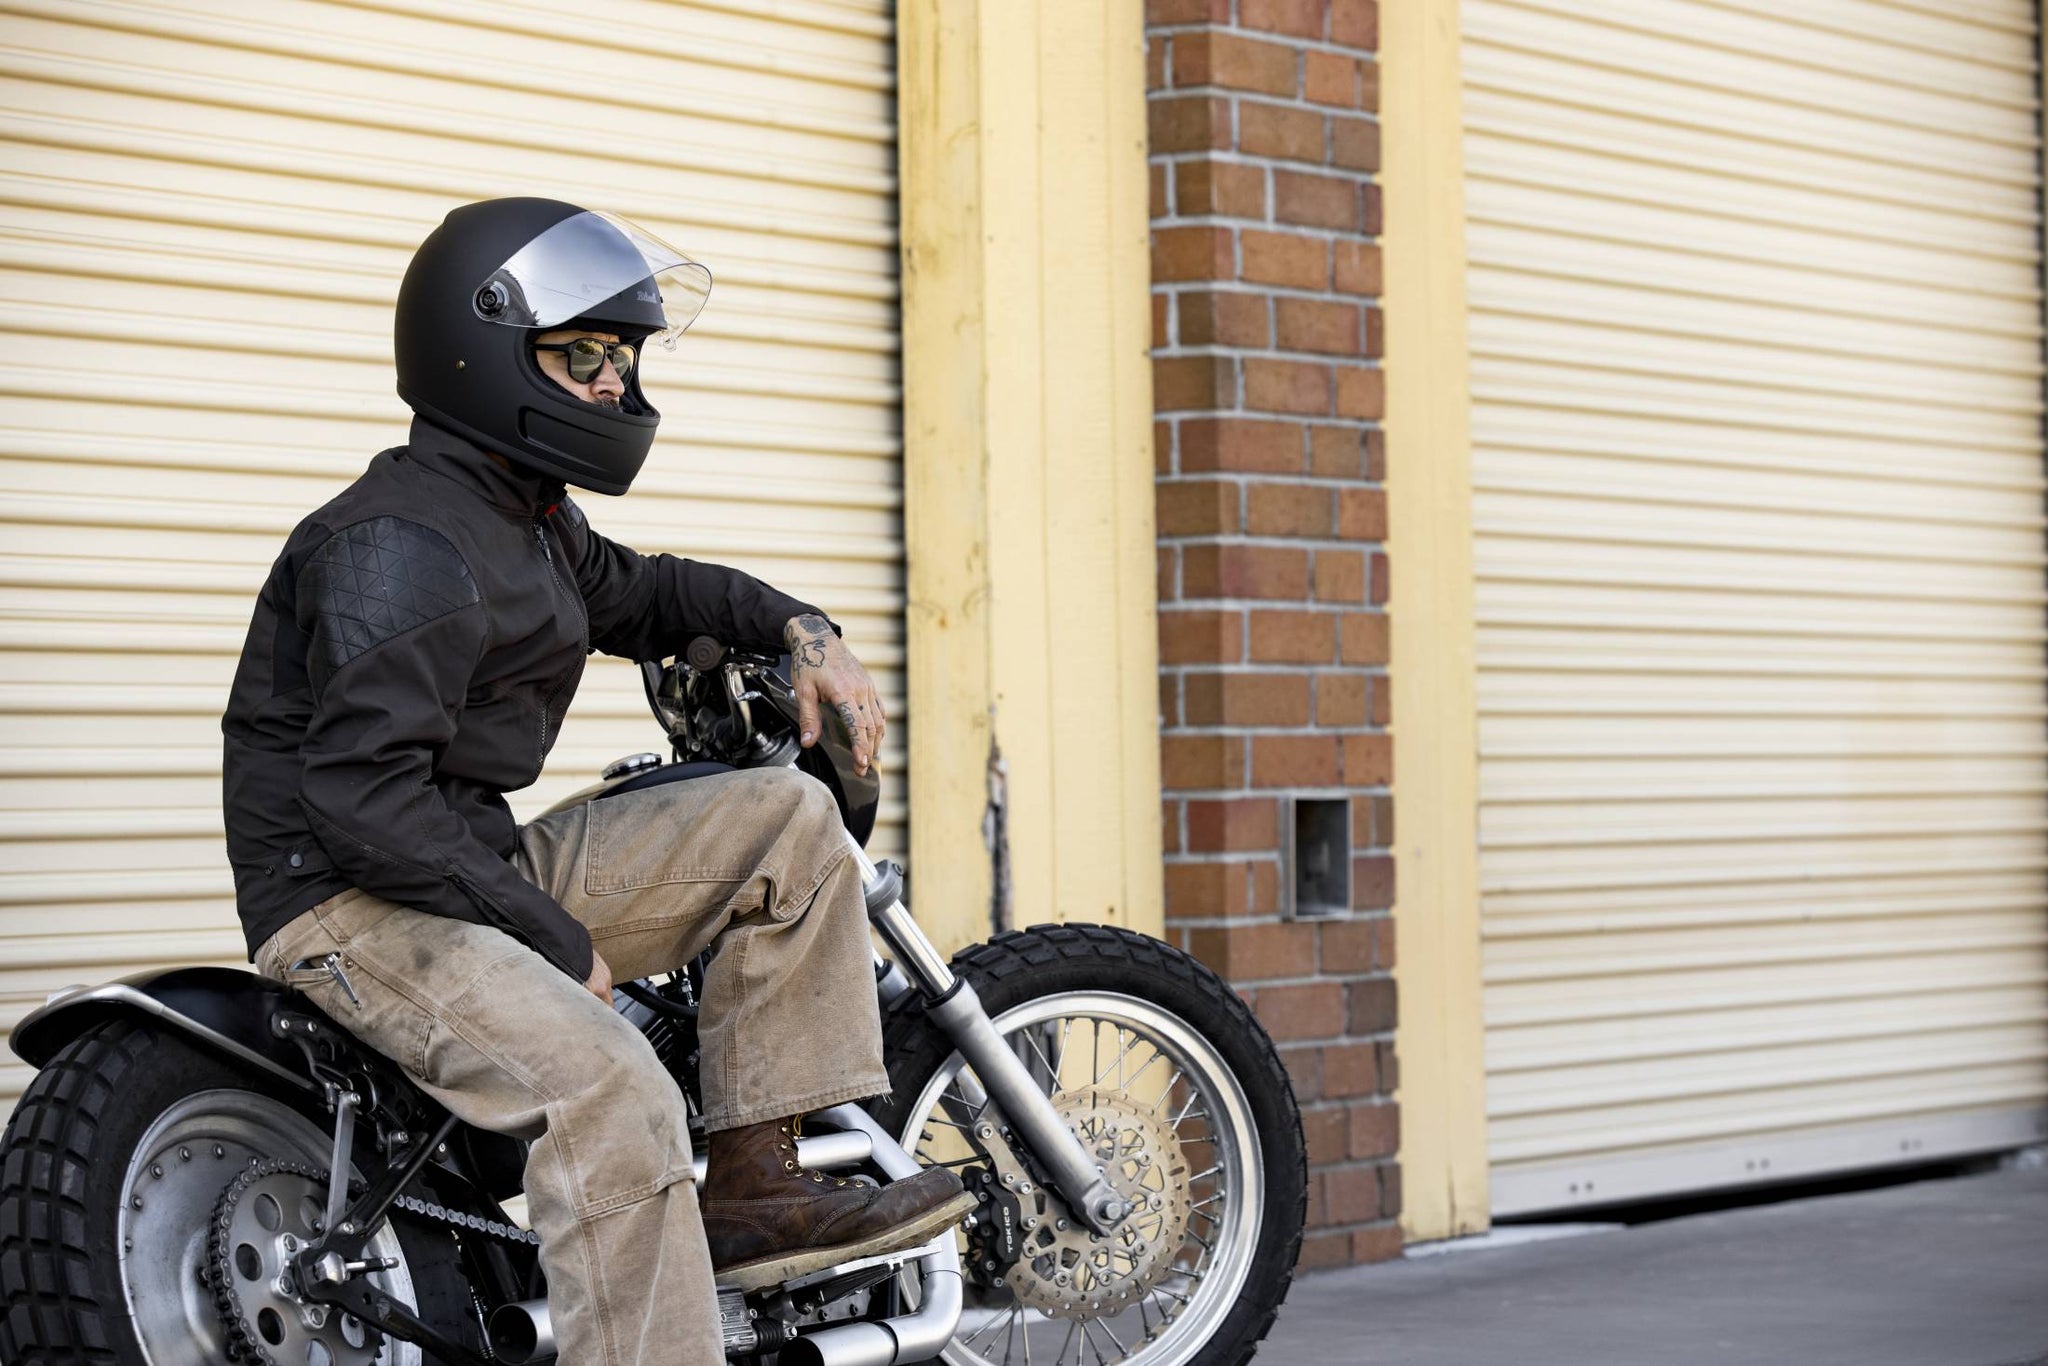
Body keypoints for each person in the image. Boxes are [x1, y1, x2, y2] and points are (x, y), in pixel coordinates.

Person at [220, 197, 972, 1365]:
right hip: (344, 901)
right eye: (583, 359)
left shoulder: (524, 514)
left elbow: (652, 595)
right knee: (611, 1089)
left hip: (455, 856)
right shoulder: (400, 545)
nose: (616, 388)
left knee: (785, 816)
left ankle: (758, 1186)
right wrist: (552, 936)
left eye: (620, 359)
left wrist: (801, 627)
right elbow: (359, 803)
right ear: (479, 351)